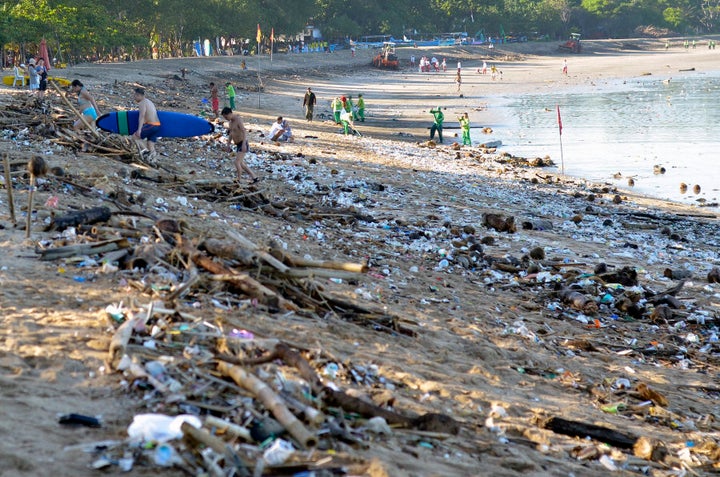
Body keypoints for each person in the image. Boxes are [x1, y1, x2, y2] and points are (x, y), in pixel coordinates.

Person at [221, 107, 257, 183]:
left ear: (230, 113)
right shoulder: (230, 122)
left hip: (242, 143)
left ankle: (239, 179)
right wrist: (228, 144)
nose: (226, 119)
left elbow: (244, 131)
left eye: (226, 117)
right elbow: (231, 134)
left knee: (237, 162)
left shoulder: (238, 120)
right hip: (237, 144)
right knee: (241, 163)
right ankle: (254, 177)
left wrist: (244, 144)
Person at [132, 87, 161, 160]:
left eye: (135, 95)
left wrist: (139, 130)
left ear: (139, 95)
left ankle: (147, 153)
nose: (134, 97)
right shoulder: (149, 101)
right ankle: (154, 159)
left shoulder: (142, 103)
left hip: (151, 125)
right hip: (157, 125)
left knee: (134, 137)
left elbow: (142, 116)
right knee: (150, 144)